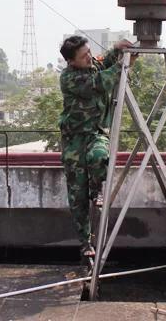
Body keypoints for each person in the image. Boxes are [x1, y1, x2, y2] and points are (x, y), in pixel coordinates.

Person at [58, 35, 134, 260]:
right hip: (73, 141)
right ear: (71, 61)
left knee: (100, 157)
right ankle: (85, 242)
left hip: (95, 133)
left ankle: (97, 190)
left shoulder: (91, 65)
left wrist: (117, 49)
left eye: (89, 52)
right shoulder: (70, 78)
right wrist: (123, 65)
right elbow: (101, 83)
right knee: (76, 195)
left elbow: (104, 63)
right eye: (84, 56)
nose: (89, 57)